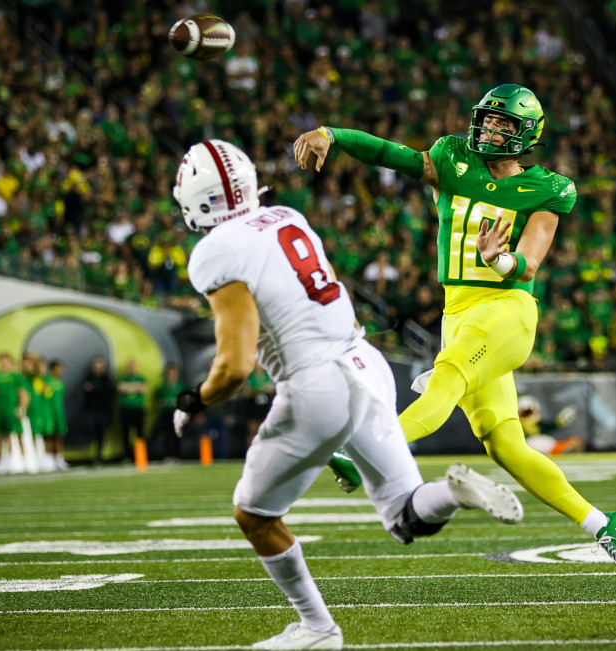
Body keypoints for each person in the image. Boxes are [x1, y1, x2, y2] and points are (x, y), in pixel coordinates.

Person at [171, 139, 523, 649]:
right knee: (406, 516)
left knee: (254, 514)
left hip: (317, 385)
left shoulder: (216, 250)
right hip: (364, 362)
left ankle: (317, 629)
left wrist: (194, 400)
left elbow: (234, 366)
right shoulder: (285, 216)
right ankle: (455, 492)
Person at [294, 85, 616, 580]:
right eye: (488, 120)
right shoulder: (452, 158)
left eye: (504, 125)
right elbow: (391, 155)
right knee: (505, 445)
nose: (491, 130)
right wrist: (333, 134)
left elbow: (530, 261)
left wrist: (499, 257)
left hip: (507, 308)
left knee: (448, 376)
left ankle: (365, 448)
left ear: (528, 135)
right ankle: (605, 524)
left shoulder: (549, 188)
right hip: (458, 311)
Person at [0, 352, 29, 472]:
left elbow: (23, 393)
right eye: (1, 360)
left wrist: (22, 407)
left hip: (12, 410)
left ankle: (18, 459)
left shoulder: (16, 377)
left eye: (6, 360)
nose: (4, 363)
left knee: (15, 435)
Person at [518, 395, 583, 456]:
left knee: (573, 441)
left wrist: (560, 421)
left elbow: (554, 425)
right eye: (525, 414)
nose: (528, 417)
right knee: (535, 442)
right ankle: (560, 450)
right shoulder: (518, 427)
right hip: (528, 448)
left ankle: (562, 449)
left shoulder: (539, 425)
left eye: (529, 413)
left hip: (547, 445)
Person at [81, 357, 116, 463]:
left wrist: (94, 389)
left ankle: (99, 455)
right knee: (91, 430)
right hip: (91, 410)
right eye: (96, 367)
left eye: (99, 367)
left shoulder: (107, 379)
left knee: (101, 432)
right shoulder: (89, 378)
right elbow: (85, 390)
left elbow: (109, 393)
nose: (98, 369)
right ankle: (93, 455)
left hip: (103, 410)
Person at [117, 358, 147, 462]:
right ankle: (127, 456)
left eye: (133, 366)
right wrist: (135, 387)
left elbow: (143, 388)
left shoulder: (141, 378)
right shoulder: (123, 378)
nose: (131, 368)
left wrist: (128, 388)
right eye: (130, 366)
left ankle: (140, 455)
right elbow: (120, 388)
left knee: (140, 433)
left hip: (138, 408)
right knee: (126, 433)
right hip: (126, 408)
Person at [155, 363, 184, 462]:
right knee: (167, 434)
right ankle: (168, 455)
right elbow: (160, 401)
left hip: (177, 414)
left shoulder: (180, 386)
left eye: (174, 373)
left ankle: (177, 455)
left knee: (177, 435)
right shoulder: (163, 388)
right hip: (167, 413)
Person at [45, 360, 68, 469]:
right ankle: (49, 459)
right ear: (52, 369)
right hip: (49, 413)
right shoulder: (47, 381)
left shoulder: (60, 383)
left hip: (59, 413)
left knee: (59, 436)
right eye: (58, 368)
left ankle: (59, 458)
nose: (61, 371)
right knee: (49, 436)